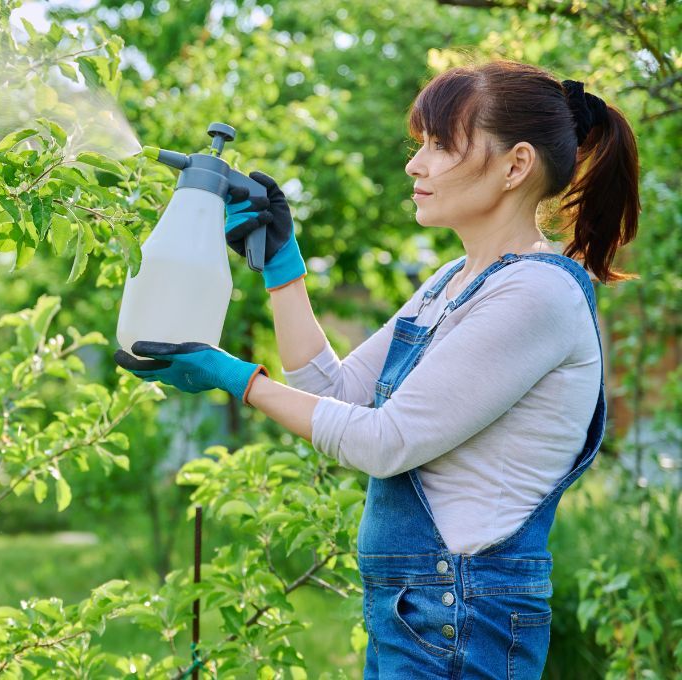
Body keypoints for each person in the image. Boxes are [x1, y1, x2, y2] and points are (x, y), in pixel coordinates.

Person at [114, 59, 640, 678]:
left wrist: (232, 377)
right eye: (421, 144)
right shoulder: (455, 281)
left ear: (515, 165)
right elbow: (336, 392)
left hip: (461, 618)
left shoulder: (536, 295)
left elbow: (384, 442)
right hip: (419, 611)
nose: (416, 164)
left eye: (441, 146)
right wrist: (284, 268)